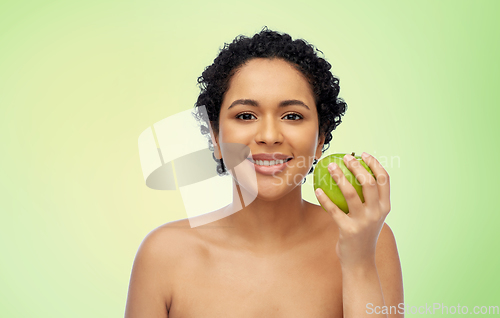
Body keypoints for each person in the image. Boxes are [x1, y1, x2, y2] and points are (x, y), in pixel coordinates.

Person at [125, 27, 404, 318]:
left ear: (320, 138)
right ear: (215, 136)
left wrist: (358, 261)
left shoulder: (371, 241)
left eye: (292, 116)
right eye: (246, 115)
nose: (269, 136)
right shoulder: (163, 255)